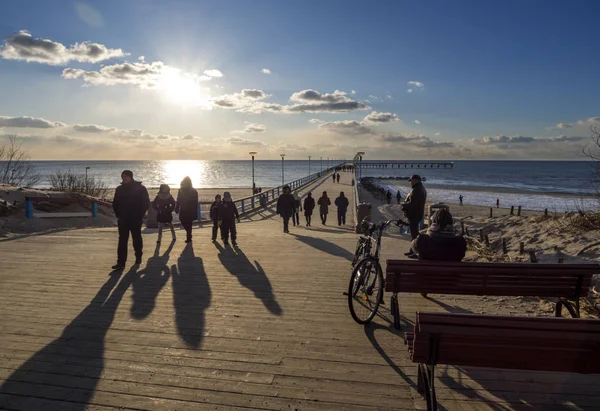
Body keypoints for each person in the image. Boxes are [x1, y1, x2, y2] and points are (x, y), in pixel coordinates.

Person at [112, 170, 150, 270]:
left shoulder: (140, 188)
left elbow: (146, 203)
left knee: (136, 238)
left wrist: (140, 215)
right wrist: (118, 215)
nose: (124, 178)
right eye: (123, 176)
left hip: (135, 218)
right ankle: (120, 262)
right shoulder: (119, 189)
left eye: (126, 176)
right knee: (122, 241)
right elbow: (115, 203)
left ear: (131, 177)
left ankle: (138, 256)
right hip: (123, 218)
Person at [401, 174, 427, 258]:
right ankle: (412, 250)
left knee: (415, 234)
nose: (410, 183)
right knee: (413, 233)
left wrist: (404, 204)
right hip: (417, 214)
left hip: (415, 214)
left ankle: (416, 252)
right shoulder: (420, 189)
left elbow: (414, 204)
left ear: (416, 180)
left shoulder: (417, 190)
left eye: (411, 181)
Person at [175, 176, 198, 243]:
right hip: (184, 208)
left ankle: (188, 237)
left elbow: (195, 201)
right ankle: (189, 234)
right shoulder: (181, 190)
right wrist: (177, 208)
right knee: (184, 222)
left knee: (188, 223)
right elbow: (178, 199)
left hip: (189, 209)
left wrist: (194, 209)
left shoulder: (193, 190)